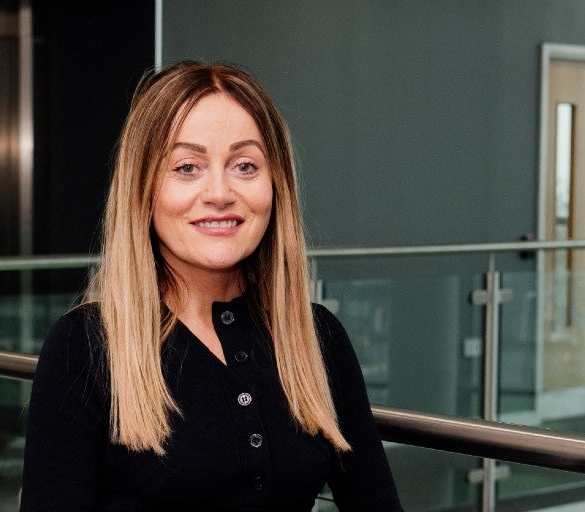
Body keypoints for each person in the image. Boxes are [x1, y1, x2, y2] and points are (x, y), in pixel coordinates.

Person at [20, 61, 404, 511]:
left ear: (275, 186)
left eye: (245, 165)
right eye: (187, 167)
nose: (219, 192)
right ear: (143, 189)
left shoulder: (318, 339)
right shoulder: (85, 346)